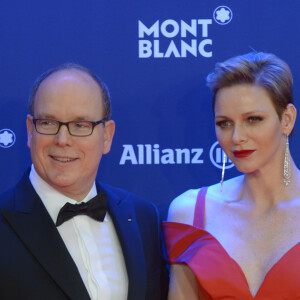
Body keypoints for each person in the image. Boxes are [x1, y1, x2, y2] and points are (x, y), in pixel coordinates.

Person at [0, 63, 168, 300]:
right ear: (30, 130)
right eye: (48, 123)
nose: (63, 139)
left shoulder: (143, 218)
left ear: (107, 136)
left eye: (81, 125)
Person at [163, 52, 300, 299]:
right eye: (225, 123)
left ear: (287, 120)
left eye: (253, 119)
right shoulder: (190, 213)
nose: (237, 137)